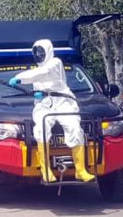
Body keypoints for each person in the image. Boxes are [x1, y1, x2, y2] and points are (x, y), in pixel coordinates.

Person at [9, 39, 95, 183]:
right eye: (36, 52)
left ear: (48, 51)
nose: (38, 55)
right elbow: (38, 80)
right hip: (44, 104)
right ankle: (45, 170)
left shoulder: (55, 62)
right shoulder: (36, 69)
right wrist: (39, 93)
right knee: (41, 129)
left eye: (41, 51)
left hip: (63, 102)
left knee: (74, 127)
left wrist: (19, 78)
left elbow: (43, 73)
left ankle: (81, 170)